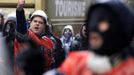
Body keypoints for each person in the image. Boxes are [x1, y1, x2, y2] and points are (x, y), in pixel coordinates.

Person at [44, 0, 134, 75]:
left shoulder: (130, 70)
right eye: (93, 20)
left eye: (102, 20)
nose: (93, 27)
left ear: (122, 28)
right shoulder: (77, 61)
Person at [14, 0, 54, 74]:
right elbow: (21, 28)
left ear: (45, 26)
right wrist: (19, 10)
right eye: (35, 21)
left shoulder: (49, 42)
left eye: (40, 22)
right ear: (30, 23)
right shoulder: (27, 35)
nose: (37, 24)